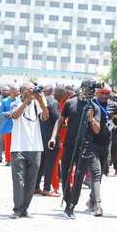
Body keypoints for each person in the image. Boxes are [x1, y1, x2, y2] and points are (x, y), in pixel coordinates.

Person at [49, 79, 101, 219]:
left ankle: (72, 205)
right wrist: (54, 137)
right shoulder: (70, 103)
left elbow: (97, 129)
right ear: (83, 88)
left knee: (78, 175)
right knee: (65, 174)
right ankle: (67, 199)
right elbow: (60, 120)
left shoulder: (95, 108)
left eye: (93, 90)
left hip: (85, 147)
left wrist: (91, 118)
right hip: (69, 145)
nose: (91, 92)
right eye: (89, 89)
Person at [9, 82, 49, 219]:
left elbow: (46, 116)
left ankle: (25, 209)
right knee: (18, 180)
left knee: (31, 181)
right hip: (18, 147)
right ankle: (17, 209)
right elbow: (15, 115)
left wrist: (40, 101)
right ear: (21, 91)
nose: (31, 91)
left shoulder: (37, 104)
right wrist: (26, 101)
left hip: (35, 147)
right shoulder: (15, 103)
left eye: (32, 89)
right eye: (27, 90)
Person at [84, 86, 117, 216]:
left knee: (100, 175)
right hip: (92, 143)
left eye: (107, 94)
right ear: (97, 93)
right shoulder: (91, 104)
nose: (104, 96)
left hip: (106, 144)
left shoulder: (113, 105)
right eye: (102, 93)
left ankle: (91, 200)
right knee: (96, 173)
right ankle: (98, 205)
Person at [35, 84, 62, 198]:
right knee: (50, 164)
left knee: (40, 164)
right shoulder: (53, 102)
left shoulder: (36, 101)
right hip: (51, 136)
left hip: (38, 136)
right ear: (52, 91)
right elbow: (58, 120)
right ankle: (47, 188)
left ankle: (35, 187)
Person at [0, 85, 19, 165]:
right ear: (12, 91)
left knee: (16, 143)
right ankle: (8, 159)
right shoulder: (5, 101)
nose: (19, 92)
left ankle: (15, 159)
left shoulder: (19, 101)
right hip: (8, 125)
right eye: (17, 91)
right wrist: (5, 113)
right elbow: (1, 112)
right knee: (8, 143)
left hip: (17, 125)